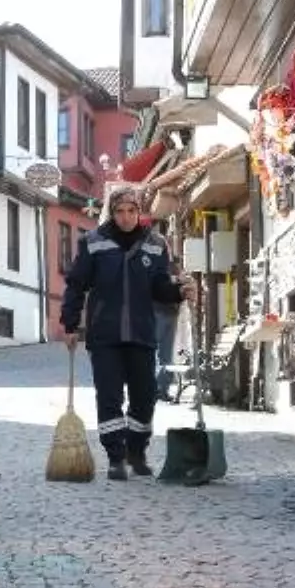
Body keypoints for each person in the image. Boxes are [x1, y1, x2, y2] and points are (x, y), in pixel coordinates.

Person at [59, 186, 195, 481]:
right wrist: (70, 325)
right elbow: (76, 285)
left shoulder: (156, 244)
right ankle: (116, 457)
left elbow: (160, 287)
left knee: (145, 397)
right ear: (112, 211)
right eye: (120, 211)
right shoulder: (93, 242)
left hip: (142, 333)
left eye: (131, 211)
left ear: (139, 212)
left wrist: (180, 291)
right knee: (109, 397)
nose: (125, 217)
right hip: (104, 336)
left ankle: (137, 451)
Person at [155, 257, 183, 402]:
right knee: (155, 353)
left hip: (171, 314)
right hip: (158, 313)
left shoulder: (175, 270)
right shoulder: (159, 267)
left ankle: (162, 389)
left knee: (166, 355)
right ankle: (153, 388)